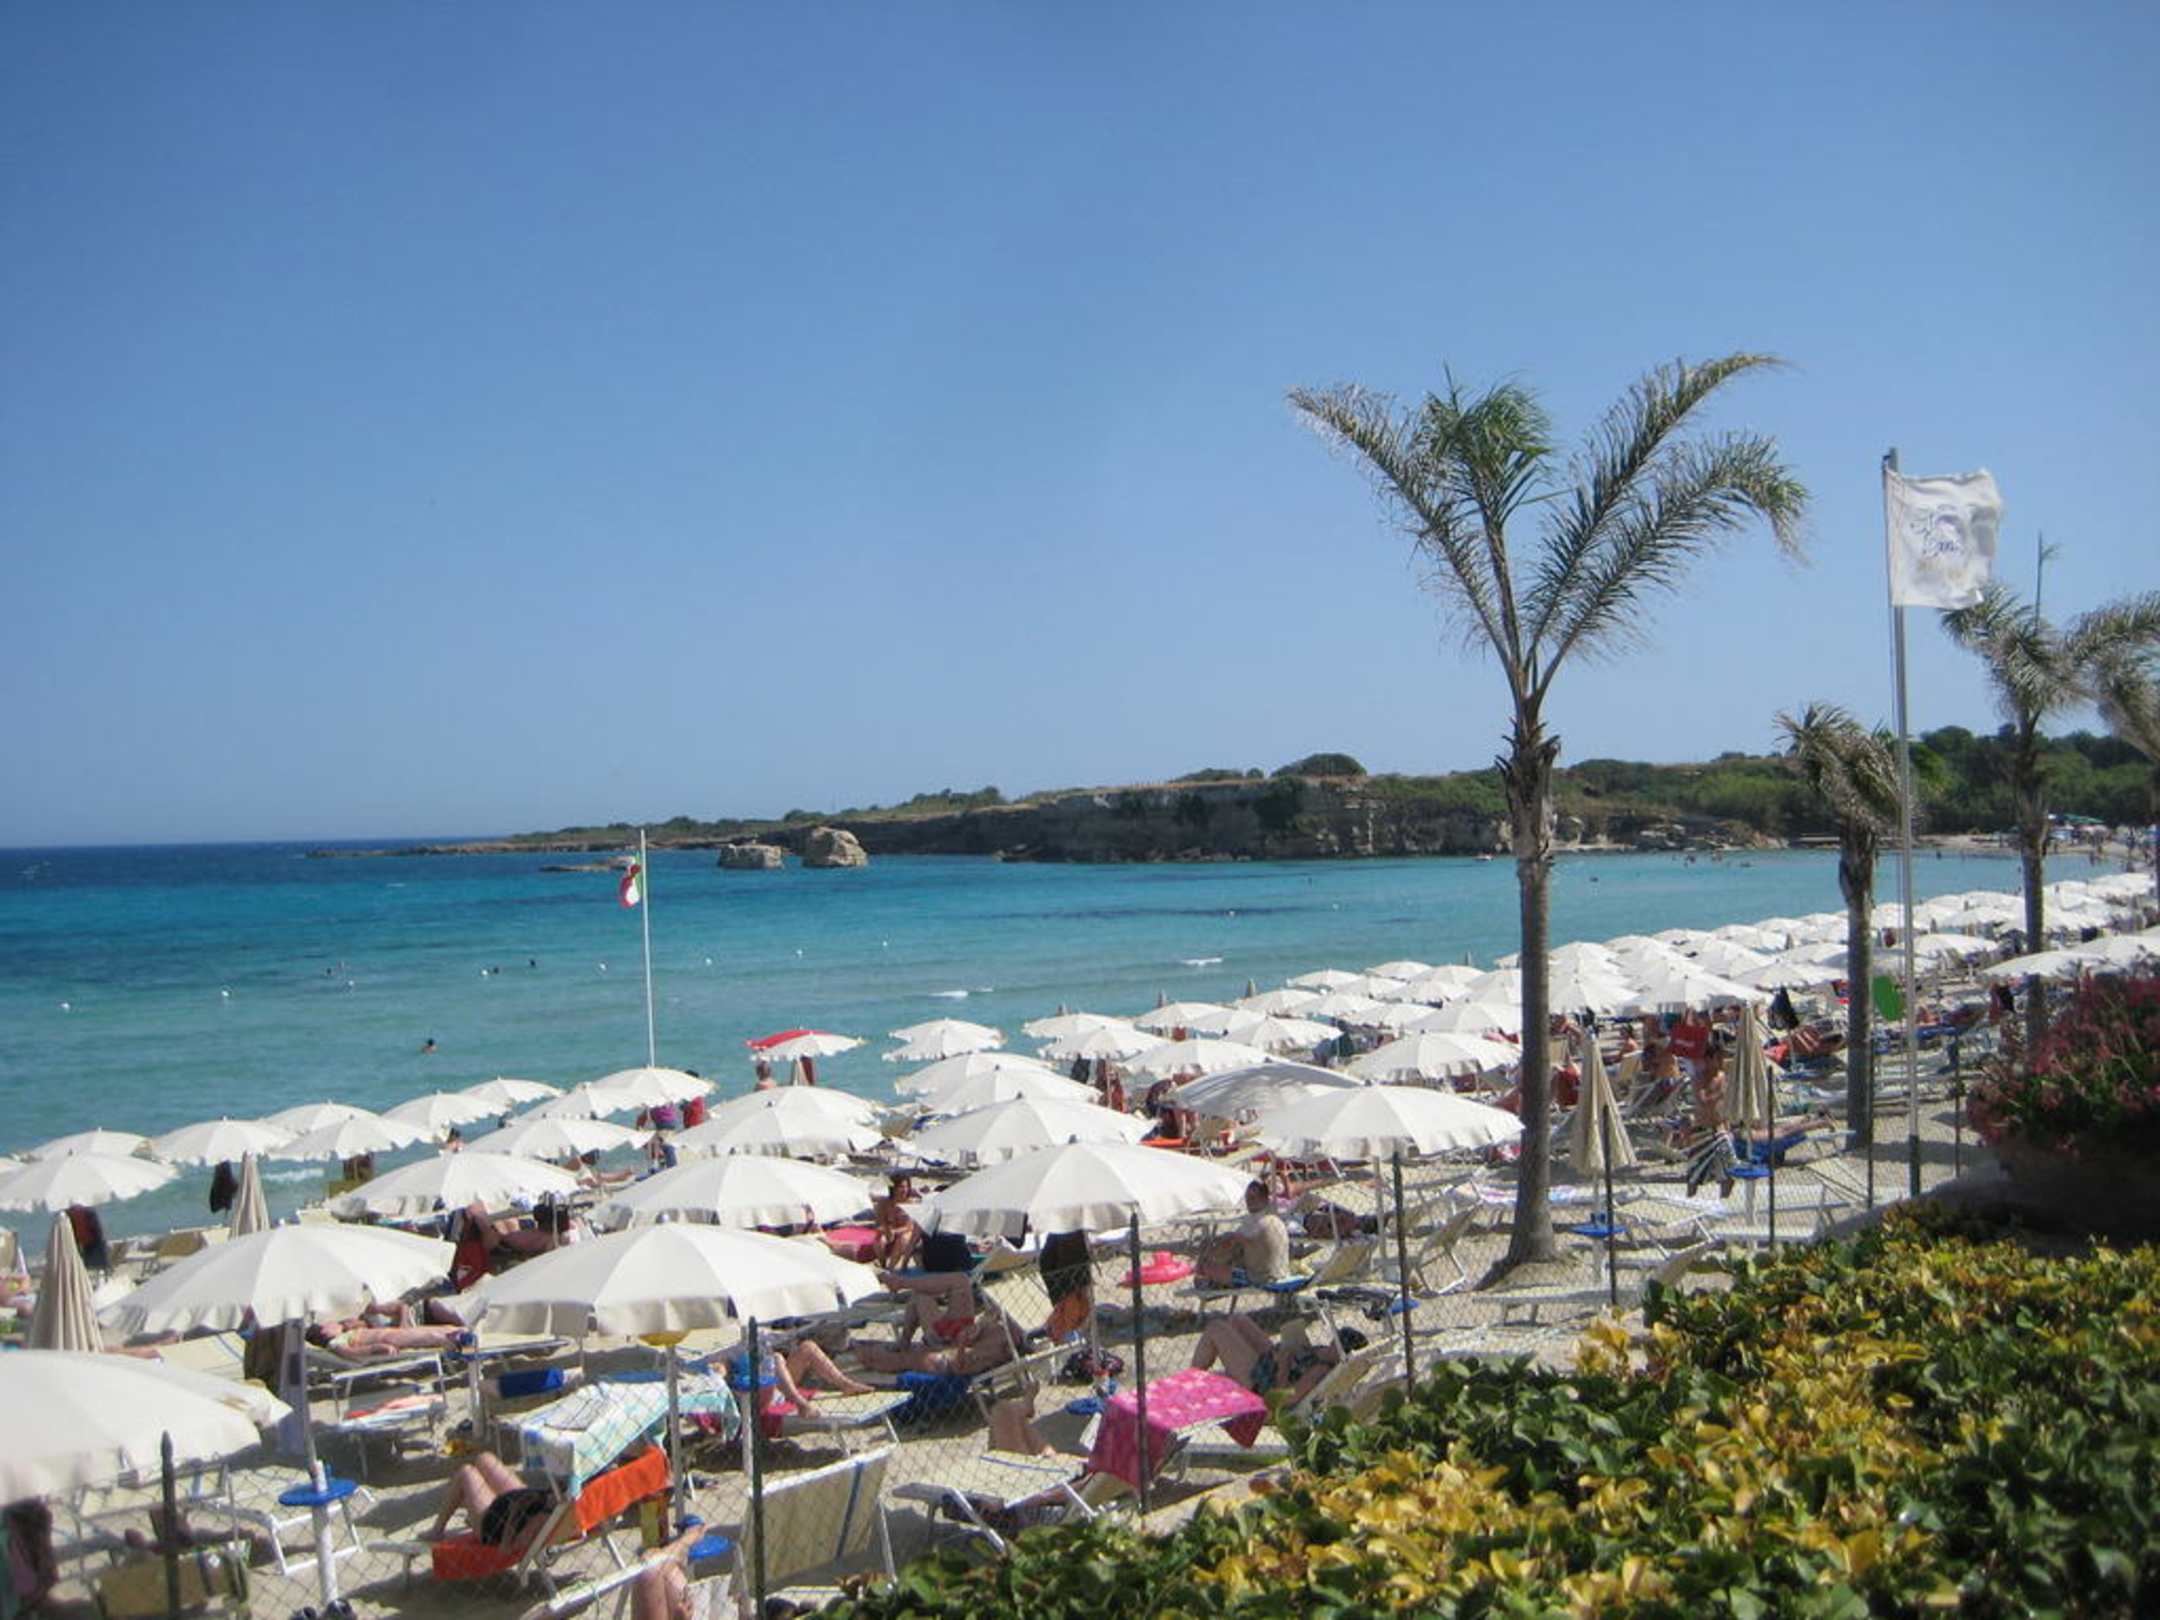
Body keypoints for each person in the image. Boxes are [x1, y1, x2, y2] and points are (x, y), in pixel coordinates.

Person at [851, 1293, 1021, 1378]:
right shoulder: (1003, 1325)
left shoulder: (999, 1342)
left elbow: (961, 1366)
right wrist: (976, 1328)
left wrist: (963, 1342)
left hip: (948, 1358)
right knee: (920, 1298)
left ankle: (866, 1357)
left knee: (904, 1357)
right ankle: (894, 1345)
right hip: (949, 1345)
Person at [1190, 1315, 1340, 1404]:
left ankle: (1189, 1384)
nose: (1331, 1343)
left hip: (1261, 1384)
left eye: (1335, 1343)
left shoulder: (1319, 1370)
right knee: (1237, 1320)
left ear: (1339, 1351)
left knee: (1216, 1328)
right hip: (1271, 1366)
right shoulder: (1324, 1353)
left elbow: (1283, 1397)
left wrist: (1283, 1363)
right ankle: (1209, 1379)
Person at [424, 1452, 553, 1548]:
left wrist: (513, 1519)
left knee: (466, 1472)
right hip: (522, 1499)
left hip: (491, 1524)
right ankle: (467, 1504)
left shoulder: (544, 1516)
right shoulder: (561, 1499)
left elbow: (512, 1545)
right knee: (484, 1458)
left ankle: (437, 1531)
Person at [1197, 1181, 1292, 1287]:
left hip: (1261, 1277)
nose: (1248, 1201)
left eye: (1253, 1197)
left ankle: (1207, 1281)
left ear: (1265, 1198)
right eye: (1247, 1198)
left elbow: (1235, 1241)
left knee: (1209, 1267)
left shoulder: (1259, 1220)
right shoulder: (1273, 1217)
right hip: (1281, 1273)